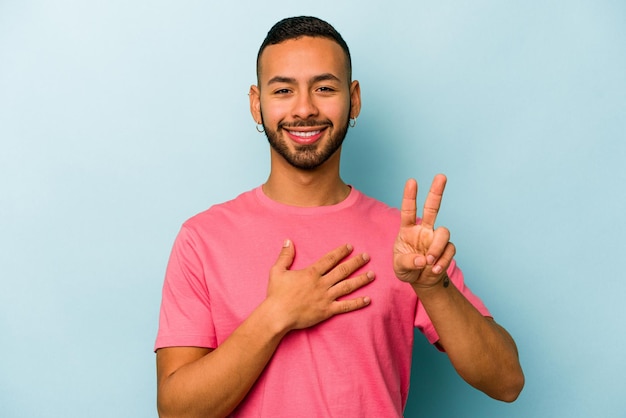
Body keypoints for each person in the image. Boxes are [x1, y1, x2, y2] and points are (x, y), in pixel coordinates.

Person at [154, 16, 524, 418]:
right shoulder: (202, 239)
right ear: (256, 105)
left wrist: (433, 287)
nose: (305, 109)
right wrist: (276, 315)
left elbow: (506, 382)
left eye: (324, 88)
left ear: (354, 100)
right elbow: (177, 411)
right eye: (283, 90)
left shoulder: (403, 240)